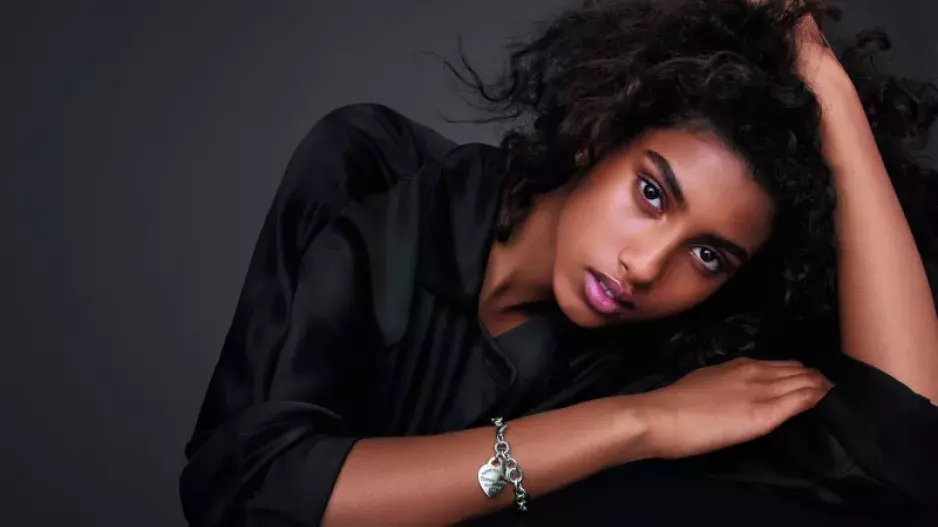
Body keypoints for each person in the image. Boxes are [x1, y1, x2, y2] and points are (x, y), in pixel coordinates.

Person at [179, 0, 938, 525]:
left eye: (708, 254)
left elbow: (903, 448)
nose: (646, 266)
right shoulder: (379, 180)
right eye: (651, 193)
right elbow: (248, 488)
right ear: (597, 134)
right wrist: (636, 424)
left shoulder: (659, 351)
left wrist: (822, 75)